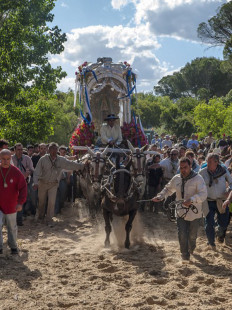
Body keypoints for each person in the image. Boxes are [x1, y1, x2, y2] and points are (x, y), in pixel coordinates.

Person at [152, 157, 207, 262]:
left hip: (194, 213)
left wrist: (192, 199)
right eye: (181, 168)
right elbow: (168, 189)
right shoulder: (176, 178)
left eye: (185, 167)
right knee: (181, 233)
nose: (183, 170)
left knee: (192, 235)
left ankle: (192, 247)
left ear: (190, 166)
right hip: (180, 211)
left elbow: (203, 194)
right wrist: (160, 196)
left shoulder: (198, 178)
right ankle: (184, 255)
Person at [33, 142, 85, 226]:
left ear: (57, 150)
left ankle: (49, 219)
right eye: (51, 149)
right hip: (42, 183)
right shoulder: (43, 159)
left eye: (55, 149)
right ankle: (40, 217)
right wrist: (35, 183)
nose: (53, 151)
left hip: (53, 184)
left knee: (51, 202)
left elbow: (71, 164)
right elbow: (36, 172)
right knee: (41, 202)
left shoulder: (61, 160)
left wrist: (82, 166)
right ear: (48, 150)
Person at [199, 153, 232, 249]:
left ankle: (219, 231)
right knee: (209, 223)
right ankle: (211, 242)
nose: (207, 163)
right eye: (207, 161)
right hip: (208, 201)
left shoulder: (224, 171)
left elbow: (231, 183)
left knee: (224, 223)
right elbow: (196, 184)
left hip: (222, 201)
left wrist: (229, 190)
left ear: (216, 162)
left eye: (209, 162)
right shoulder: (202, 172)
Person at [0, 149, 27, 254]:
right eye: (3, 159)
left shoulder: (16, 172)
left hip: (12, 205)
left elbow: (23, 188)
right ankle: (0, 248)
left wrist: (20, 202)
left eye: (8, 159)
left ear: (10, 158)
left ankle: (13, 246)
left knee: (12, 227)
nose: (6, 161)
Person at [12, 143, 34, 225]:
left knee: (22, 200)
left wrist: (28, 173)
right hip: (13, 184)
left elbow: (32, 169)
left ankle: (20, 219)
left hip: (25, 182)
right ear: (14, 150)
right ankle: (16, 219)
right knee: (14, 201)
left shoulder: (27, 158)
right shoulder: (10, 159)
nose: (20, 151)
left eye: (21, 149)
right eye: (18, 149)